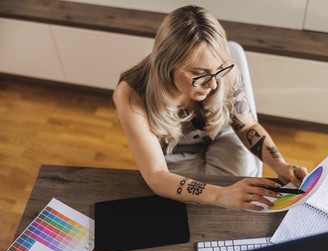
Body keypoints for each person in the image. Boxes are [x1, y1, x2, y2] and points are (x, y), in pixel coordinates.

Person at [113, 5, 308, 211]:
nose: (214, 85)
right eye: (200, 74)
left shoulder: (223, 73)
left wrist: (280, 165)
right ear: (167, 64)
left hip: (220, 136)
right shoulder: (131, 94)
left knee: (235, 197)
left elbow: (247, 126)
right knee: (201, 206)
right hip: (174, 154)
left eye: (219, 70)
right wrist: (221, 195)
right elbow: (156, 175)